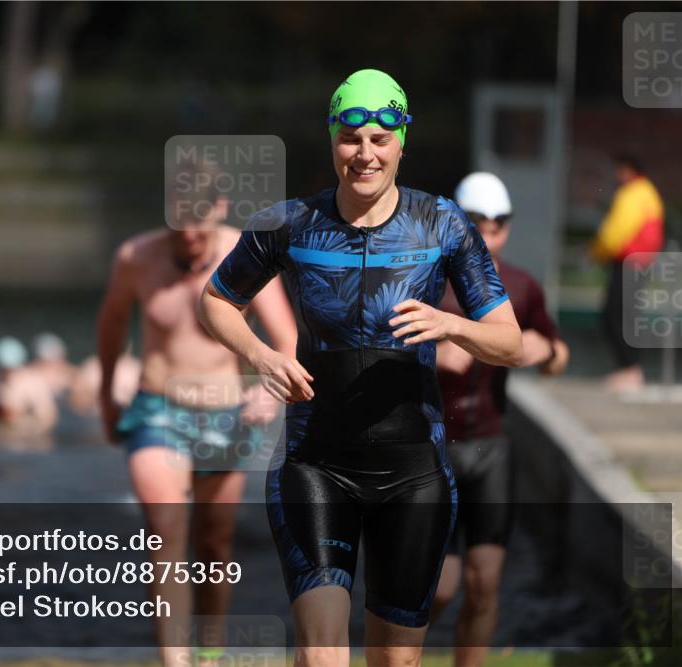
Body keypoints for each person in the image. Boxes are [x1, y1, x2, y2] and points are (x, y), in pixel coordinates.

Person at [198, 69, 524, 667]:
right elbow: (216, 300)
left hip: (414, 475)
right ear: (332, 141)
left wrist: (451, 324)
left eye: (381, 138)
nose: (366, 154)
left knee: (394, 661)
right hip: (316, 467)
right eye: (352, 139)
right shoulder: (289, 223)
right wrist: (263, 355)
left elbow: (510, 343)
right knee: (325, 655)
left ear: (402, 140)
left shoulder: (443, 224)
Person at [96, 159, 297, 666]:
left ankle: (209, 651)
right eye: (178, 216)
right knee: (165, 530)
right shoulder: (136, 257)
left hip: (227, 411)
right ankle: (176, 662)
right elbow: (113, 321)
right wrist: (104, 391)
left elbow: (288, 337)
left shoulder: (243, 253)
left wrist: (270, 388)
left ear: (221, 208)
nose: (187, 230)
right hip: (157, 408)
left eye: (199, 217)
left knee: (214, 542)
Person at [429, 172, 570, 667]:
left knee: (484, 582)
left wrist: (544, 349)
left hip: (490, 449)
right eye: (478, 223)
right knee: (437, 589)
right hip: (430, 452)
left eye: (499, 223)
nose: (489, 233)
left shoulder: (521, 287)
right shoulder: (428, 279)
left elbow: (558, 355)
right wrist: (433, 350)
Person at [590, 154, 664, 392]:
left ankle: (630, 370)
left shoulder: (632, 194)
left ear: (628, 170)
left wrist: (596, 252)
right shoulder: (648, 192)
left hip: (629, 262)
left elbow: (615, 231)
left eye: (618, 170)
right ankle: (631, 369)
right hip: (640, 262)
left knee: (615, 314)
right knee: (624, 314)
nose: (615, 175)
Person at [0, 336, 58, 443]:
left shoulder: (33, 383)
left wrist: (23, 423)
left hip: (27, 435)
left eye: (10, 369)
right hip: (2, 434)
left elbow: (48, 416)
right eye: (3, 369)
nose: (7, 373)